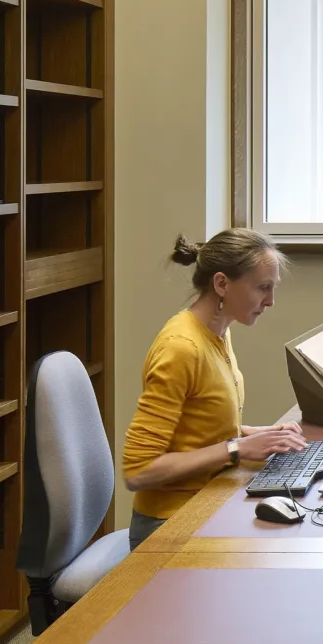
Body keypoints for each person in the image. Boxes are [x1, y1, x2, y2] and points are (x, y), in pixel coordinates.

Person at [121, 228, 307, 546]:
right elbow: (138, 471)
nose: (271, 301)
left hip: (206, 503)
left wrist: (258, 436)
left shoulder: (217, 331)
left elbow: (197, 430)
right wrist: (237, 449)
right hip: (168, 523)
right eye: (263, 288)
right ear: (222, 284)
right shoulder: (181, 347)